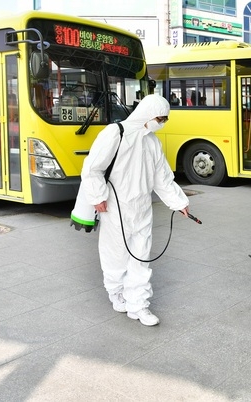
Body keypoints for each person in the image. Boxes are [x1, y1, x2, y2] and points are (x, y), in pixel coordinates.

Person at [80, 94, 190, 326]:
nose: (161, 123)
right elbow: (92, 168)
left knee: (141, 257)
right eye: (160, 118)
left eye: (164, 120)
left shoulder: (152, 142)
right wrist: (98, 196)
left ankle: (139, 305)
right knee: (116, 254)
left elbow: (163, 178)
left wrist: (179, 202)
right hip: (116, 207)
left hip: (142, 209)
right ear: (147, 114)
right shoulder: (115, 133)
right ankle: (116, 292)